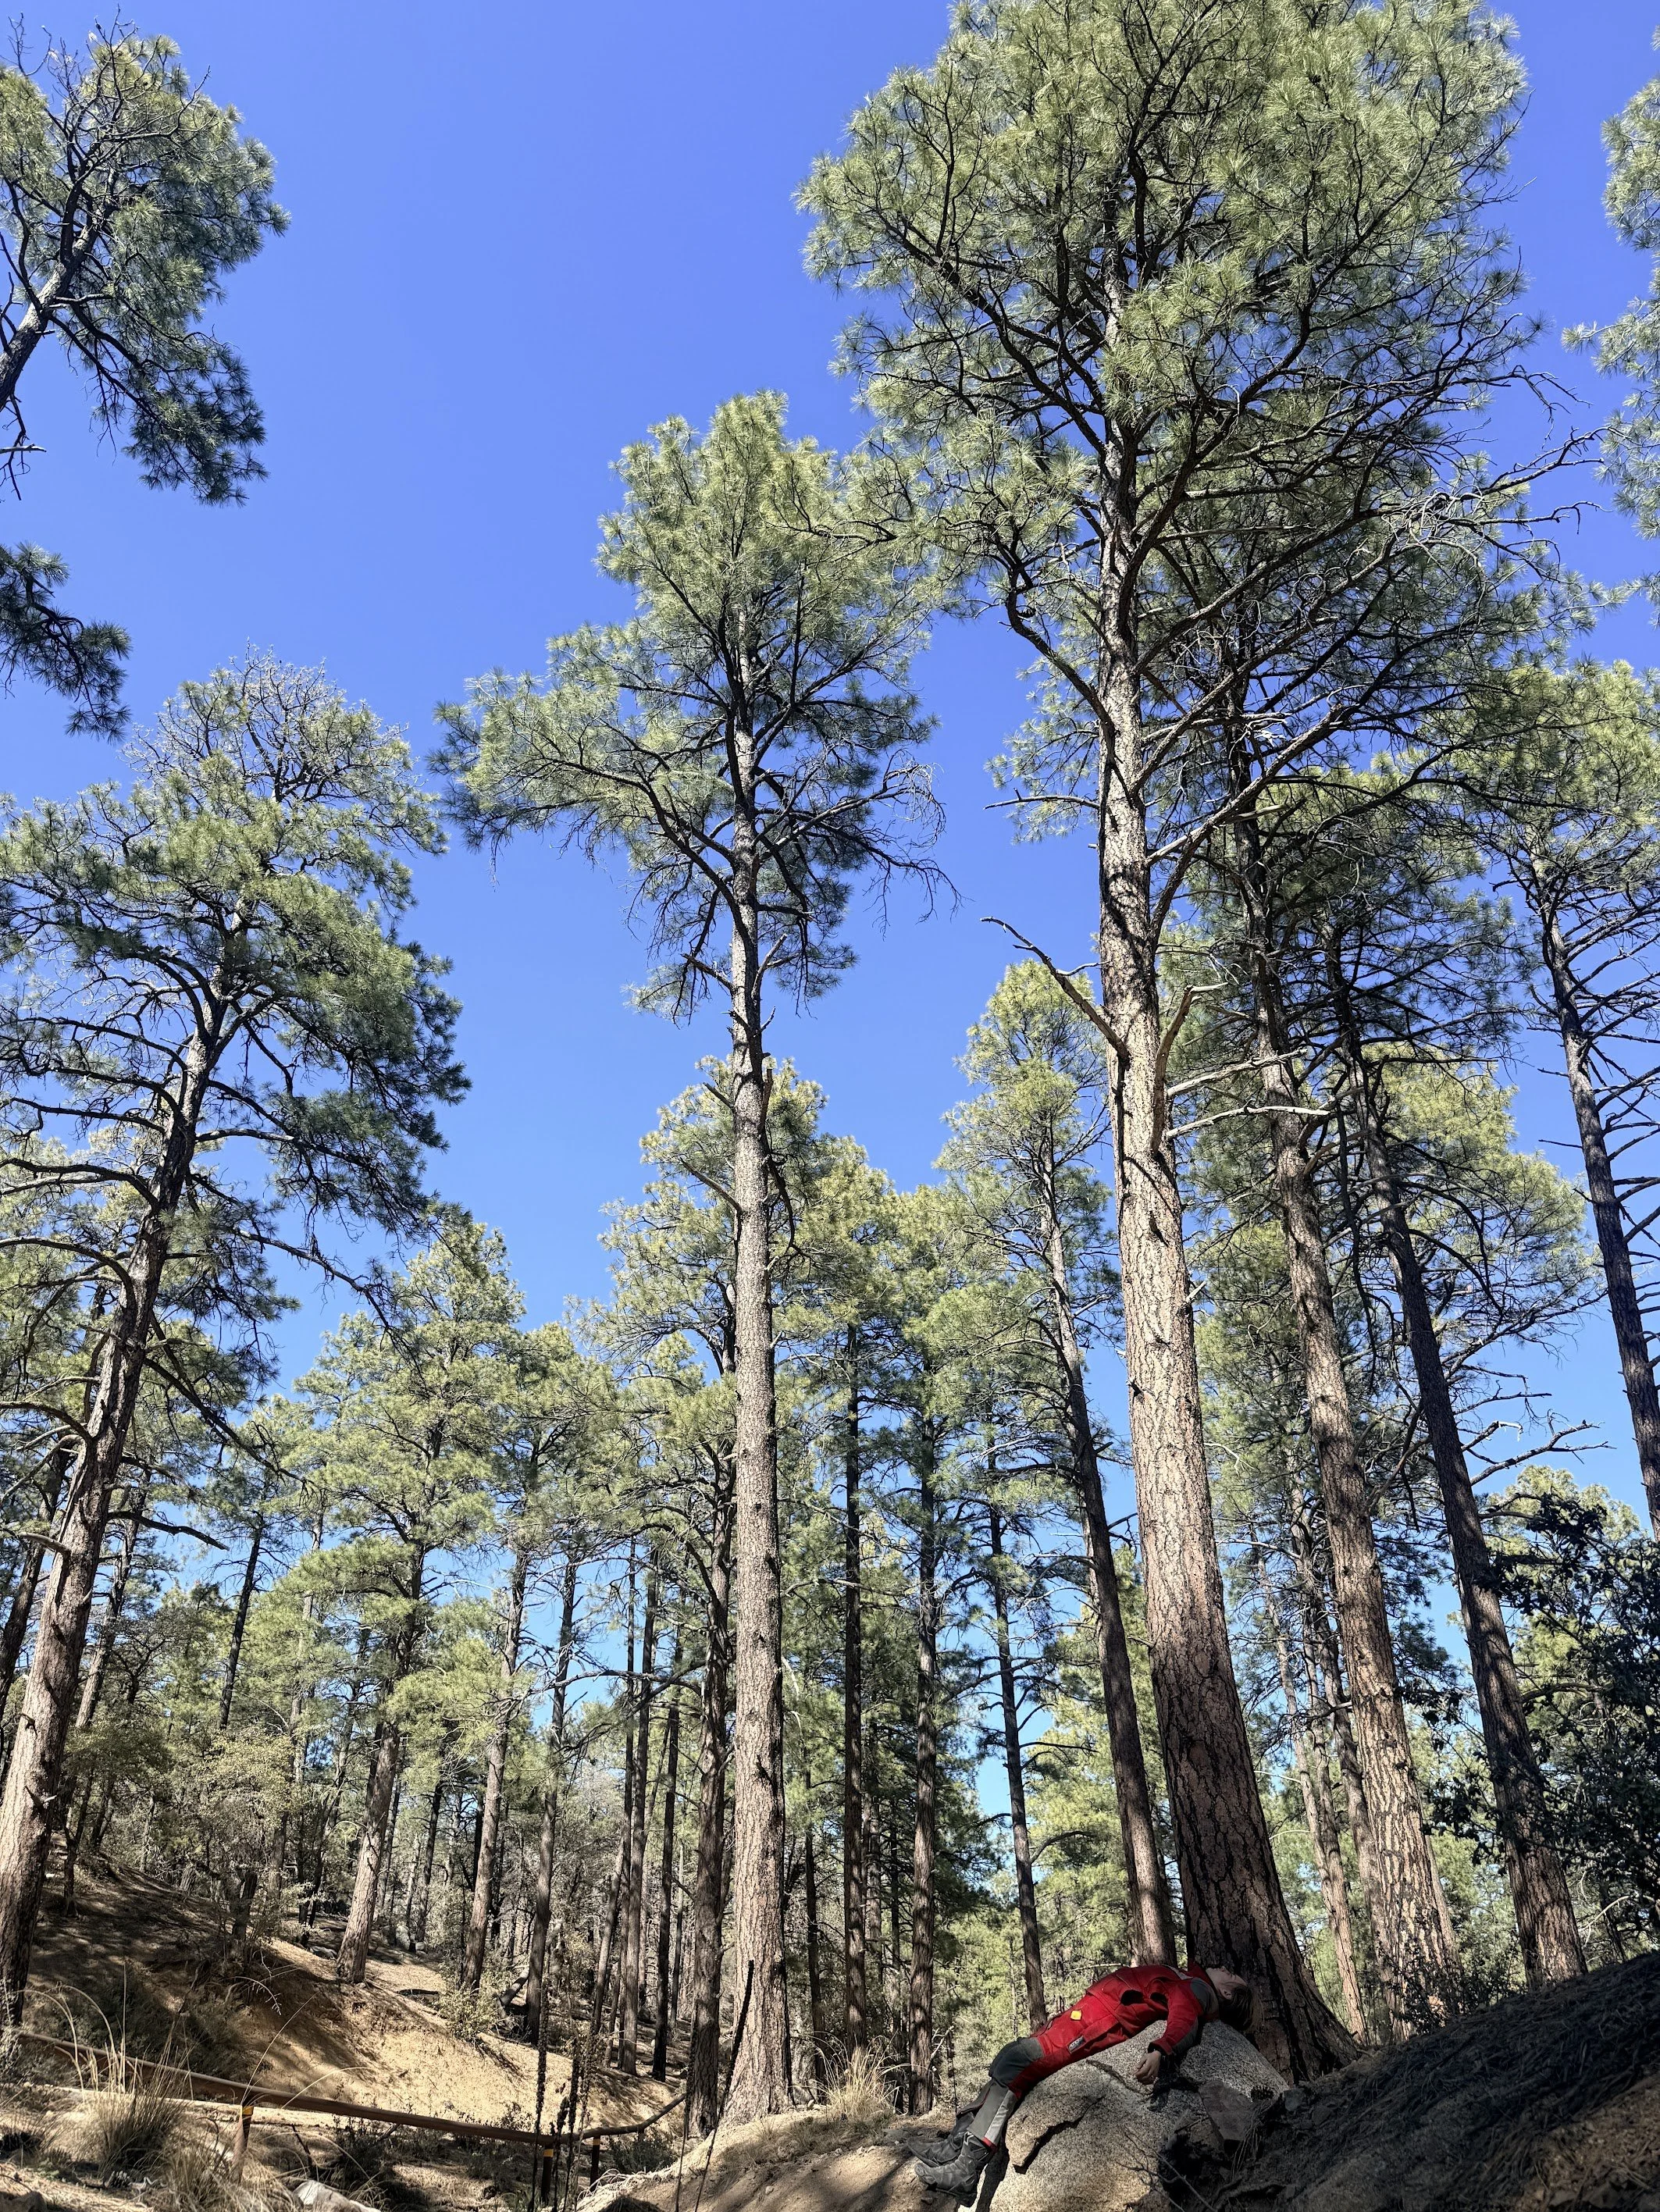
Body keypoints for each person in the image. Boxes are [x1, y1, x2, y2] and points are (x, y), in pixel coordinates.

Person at [914, 1962, 1256, 2203]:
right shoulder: (1190, 1979)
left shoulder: (1198, 1990)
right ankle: (955, 2146)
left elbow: (1184, 2021)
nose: (1225, 1967)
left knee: (1015, 2063)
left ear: (1226, 1993)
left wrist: (1160, 2050)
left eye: (1231, 1975)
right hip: (1084, 2018)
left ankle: (966, 2170)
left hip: (1092, 2027)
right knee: (1009, 2058)